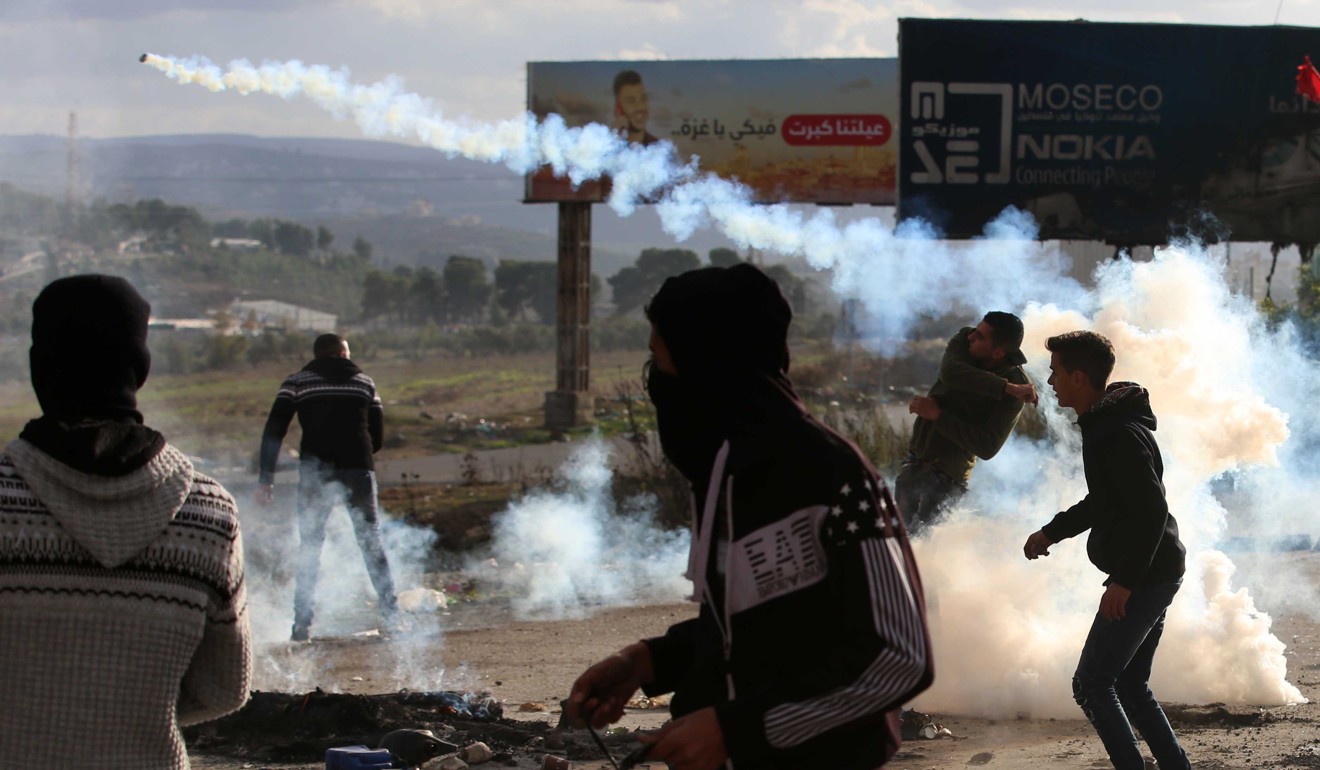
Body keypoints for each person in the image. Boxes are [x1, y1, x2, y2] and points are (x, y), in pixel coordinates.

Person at [568, 264, 933, 770]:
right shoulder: (725, 475)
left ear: (707, 365)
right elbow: (766, 629)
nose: (656, 385)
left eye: (661, 362)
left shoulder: (831, 473)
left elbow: (898, 658)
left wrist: (738, 730)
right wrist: (648, 660)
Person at [0, 275, 251, 768]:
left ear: (39, 367)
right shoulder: (208, 511)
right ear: (138, 369)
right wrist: (128, 711)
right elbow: (225, 687)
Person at [1023, 331, 1190, 770]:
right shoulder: (1105, 425)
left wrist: (1125, 582)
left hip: (1148, 574)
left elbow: (1152, 510)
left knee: (1092, 683)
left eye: (1057, 373)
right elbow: (1106, 500)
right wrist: (1051, 532)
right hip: (1156, 568)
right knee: (1131, 683)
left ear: (1079, 377)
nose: (1052, 381)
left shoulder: (1116, 432)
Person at [257, 333, 399, 642]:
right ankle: (393, 617)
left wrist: (266, 478)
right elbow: (378, 438)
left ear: (317, 355)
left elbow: (274, 431)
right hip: (358, 467)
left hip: (316, 471)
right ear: (342, 353)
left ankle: (301, 626)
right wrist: (356, 453)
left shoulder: (296, 382)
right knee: (370, 540)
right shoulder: (365, 382)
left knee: (310, 545)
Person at [896, 311, 1037, 532]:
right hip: (914, 465)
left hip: (946, 481)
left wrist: (938, 416)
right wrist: (1005, 387)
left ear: (998, 352)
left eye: (980, 336)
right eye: (975, 331)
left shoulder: (1017, 386)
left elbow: (987, 446)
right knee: (897, 543)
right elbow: (951, 373)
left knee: (924, 549)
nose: (972, 336)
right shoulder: (964, 341)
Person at [613, 69, 658, 146]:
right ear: (618, 108)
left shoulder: (659, 149)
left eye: (643, 99)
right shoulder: (611, 147)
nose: (640, 107)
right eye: (631, 101)